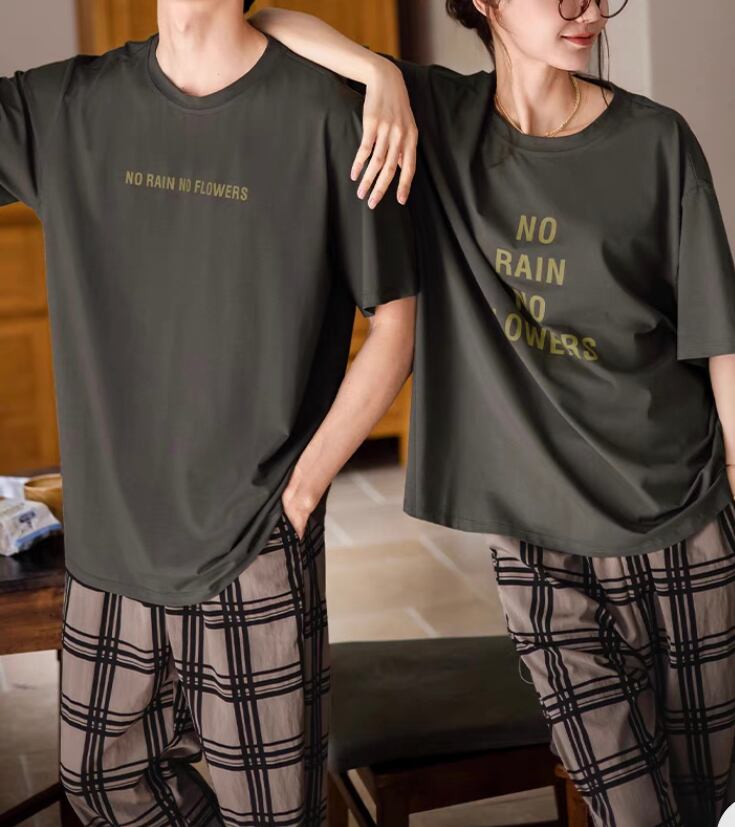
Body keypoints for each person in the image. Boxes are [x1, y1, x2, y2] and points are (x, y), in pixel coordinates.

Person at [249, 1, 735, 824]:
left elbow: (718, 338)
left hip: (679, 521)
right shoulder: (436, 118)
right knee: (629, 808)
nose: (587, 10)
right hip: (537, 545)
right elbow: (264, 20)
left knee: (707, 803)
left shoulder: (656, 140)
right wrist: (376, 74)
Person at [0, 0, 419, 823]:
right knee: (97, 786)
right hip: (109, 552)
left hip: (251, 546)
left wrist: (300, 490)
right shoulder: (66, 106)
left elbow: (398, 325)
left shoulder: (326, 116)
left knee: (271, 811)